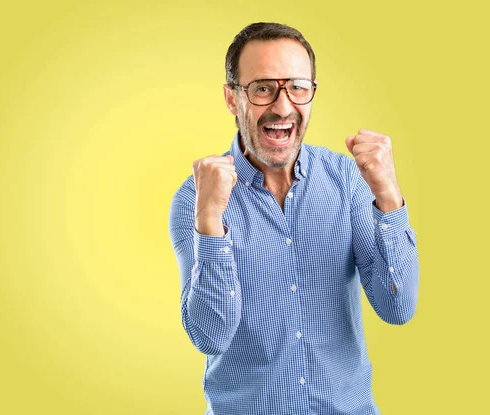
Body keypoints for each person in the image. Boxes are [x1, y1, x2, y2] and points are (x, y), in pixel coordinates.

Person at [168, 22, 419, 415]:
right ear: (233, 99)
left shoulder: (346, 180)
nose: (283, 106)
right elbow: (210, 336)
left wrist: (388, 197)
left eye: (298, 87)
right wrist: (211, 222)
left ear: (311, 93)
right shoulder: (195, 199)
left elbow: (397, 308)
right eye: (263, 88)